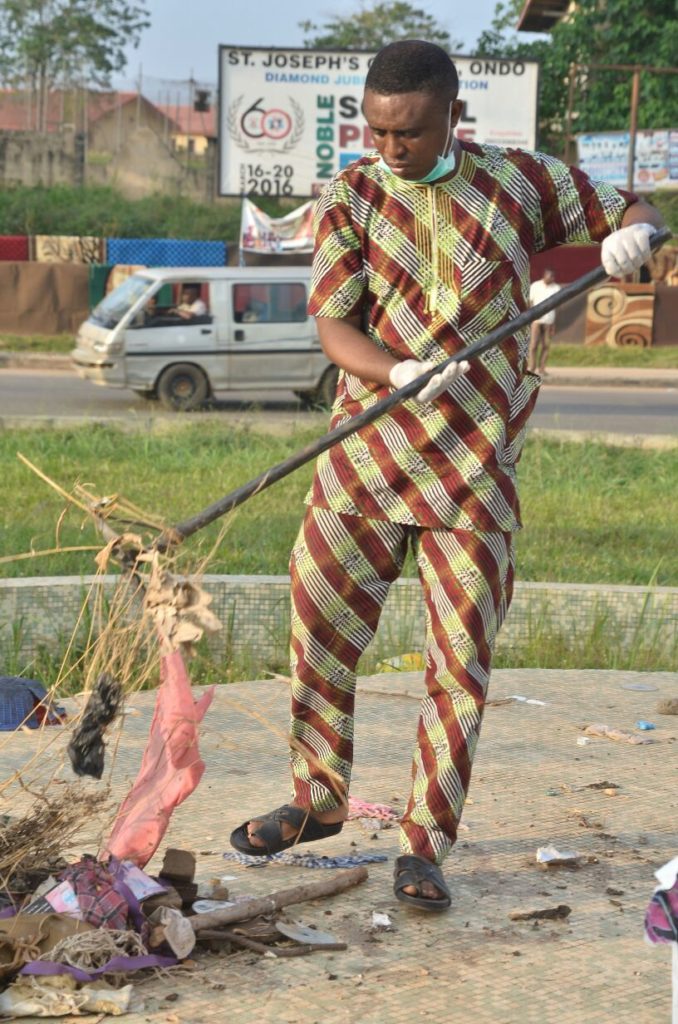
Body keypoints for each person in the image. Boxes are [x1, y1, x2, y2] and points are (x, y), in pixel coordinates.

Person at [230, 40, 665, 911]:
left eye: (412, 132)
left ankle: (424, 844)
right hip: (364, 457)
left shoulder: (520, 184)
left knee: (459, 664)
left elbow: (635, 210)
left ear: (452, 117)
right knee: (318, 624)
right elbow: (334, 327)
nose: (392, 148)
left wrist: (636, 235)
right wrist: (394, 370)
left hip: (474, 469)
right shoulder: (351, 197)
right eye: (379, 131)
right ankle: (318, 798)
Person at [528, 269, 561, 375]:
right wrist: (531, 316)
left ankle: (542, 368)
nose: (552, 279)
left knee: (546, 345)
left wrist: (554, 323)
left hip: (549, 320)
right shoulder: (535, 286)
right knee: (533, 345)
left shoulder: (556, 288)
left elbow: (557, 306)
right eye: (550, 276)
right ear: (545, 276)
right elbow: (530, 302)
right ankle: (532, 368)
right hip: (536, 321)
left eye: (553, 277)